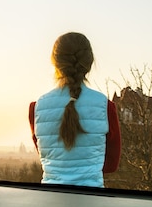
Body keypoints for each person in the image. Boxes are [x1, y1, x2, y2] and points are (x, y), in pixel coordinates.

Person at [29, 32, 121, 186]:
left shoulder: (37, 108)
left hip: (50, 201)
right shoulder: (105, 106)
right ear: (89, 63)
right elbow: (111, 165)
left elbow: (47, 157)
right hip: (93, 200)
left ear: (55, 63)